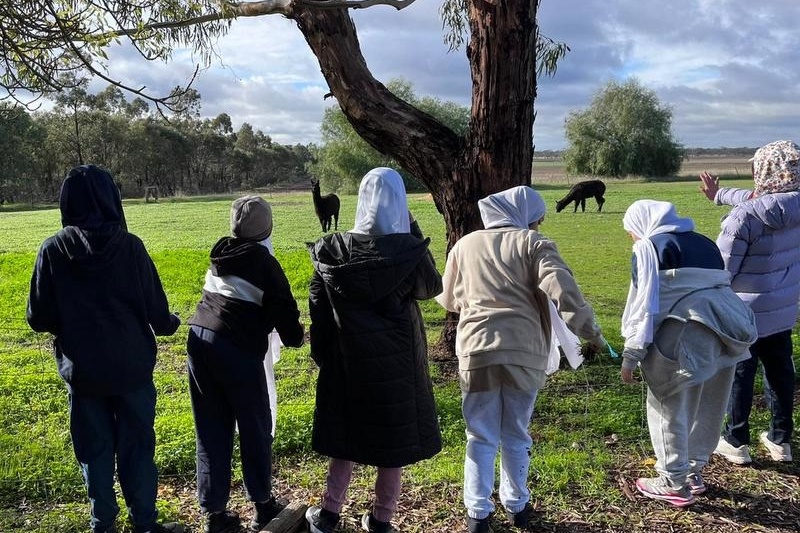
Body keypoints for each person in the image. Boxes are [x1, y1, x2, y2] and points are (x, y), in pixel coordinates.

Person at [435, 186, 606, 533]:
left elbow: (450, 299)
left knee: (479, 434)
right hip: (524, 352)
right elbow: (564, 292)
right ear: (525, 217)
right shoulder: (534, 244)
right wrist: (593, 335)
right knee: (516, 431)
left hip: (476, 350)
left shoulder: (464, 245)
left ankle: (477, 512)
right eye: (537, 219)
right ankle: (517, 504)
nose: (538, 225)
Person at [26, 165, 183, 533]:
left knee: (93, 452)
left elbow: (37, 317)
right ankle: (145, 522)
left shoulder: (52, 250)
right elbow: (158, 314)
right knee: (138, 448)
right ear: (111, 197)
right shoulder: (130, 247)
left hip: (84, 374)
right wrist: (172, 323)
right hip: (132, 370)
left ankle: (103, 524)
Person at [305, 168, 443, 533]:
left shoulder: (331, 250)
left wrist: (325, 357)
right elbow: (431, 287)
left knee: (344, 440)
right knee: (391, 444)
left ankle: (329, 514)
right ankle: (382, 520)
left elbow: (318, 311)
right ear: (400, 203)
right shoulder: (406, 252)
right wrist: (411, 231)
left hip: (346, 362)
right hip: (396, 365)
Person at [619, 200, 758, 507]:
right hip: (728, 332)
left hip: (684, 335)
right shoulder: (706, 243)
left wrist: (632, 355)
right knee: (710, 405)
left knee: (668, 406)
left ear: (642, 223)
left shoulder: (648, 248)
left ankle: (673, 482)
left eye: (631, 231)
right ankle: (693, 472)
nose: (632, 237)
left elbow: (645, 307)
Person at [186, 195, 305, 533]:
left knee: (211, 426)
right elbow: (286, 316)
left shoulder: (223, 250)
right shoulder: (265, 263)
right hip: (235, 348)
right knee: (254, 426)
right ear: (268, 227)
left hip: (198, 337)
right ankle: (263, 505)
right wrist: (298, 337)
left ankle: (215, 514)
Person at [699, 139, 800, 464]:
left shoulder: (743, 219)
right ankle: (781, 440)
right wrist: (719, 195)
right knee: (780, 372)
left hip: (743, 313)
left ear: (764, 171)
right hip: (783, 311)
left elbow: (721, 270)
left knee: (740, 373)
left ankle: (735, 440)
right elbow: (762, 199)